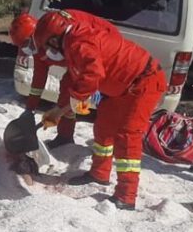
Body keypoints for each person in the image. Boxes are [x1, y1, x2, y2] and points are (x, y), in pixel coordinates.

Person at [36, 10, 167, 210]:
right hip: (122, 87)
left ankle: (126, 196)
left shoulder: (78, 43)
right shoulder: (72, 43)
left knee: (127, 137)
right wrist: (60, 110)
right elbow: (76, 81)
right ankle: (99, 173)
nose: (49, 51)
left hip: (144, 82)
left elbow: (92, 74)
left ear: (54, 39)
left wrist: (70, 104)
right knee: (103, 128)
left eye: (47, 45)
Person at [9, 10, 118, 148]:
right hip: (79, 57)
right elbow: (39, 77)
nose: (28, 50)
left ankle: (113, 141)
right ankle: (65, 136)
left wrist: (93, 86)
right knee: (67, 91)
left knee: (107, 105)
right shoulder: (40, 42)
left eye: (27, 44)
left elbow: (89, 65)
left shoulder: (65, 33)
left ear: (35, 35)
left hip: (102, 48)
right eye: (23, 47)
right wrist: (30, 109)